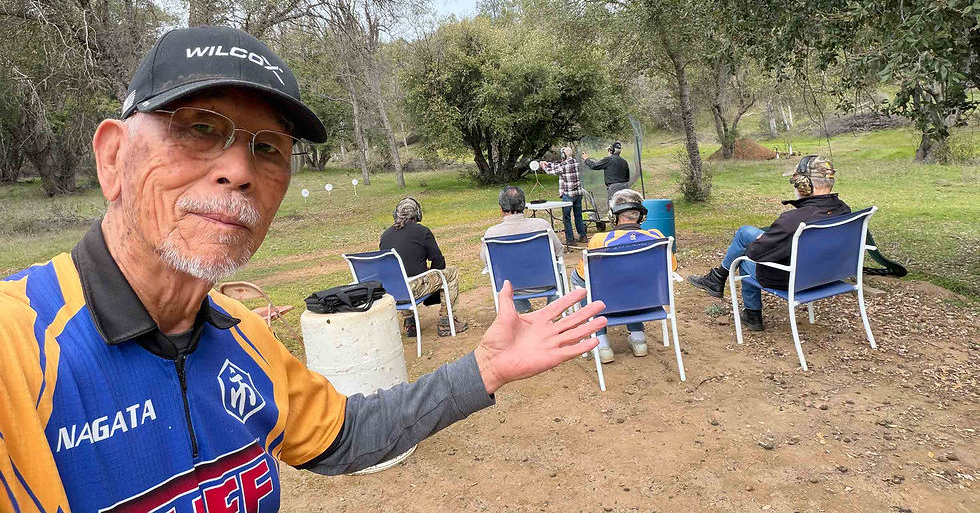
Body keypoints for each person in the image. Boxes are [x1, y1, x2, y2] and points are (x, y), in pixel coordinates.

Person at [0, 26, 608, 511]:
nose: (240, 171)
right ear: (112, 157)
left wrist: (486, 368)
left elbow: (347, 434)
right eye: (200, 129)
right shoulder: (17, 349)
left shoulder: (243, 335)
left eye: (269, 148)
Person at [687, 156, 848, 331]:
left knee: (744, 259)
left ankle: (751, 313)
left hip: (796, 279)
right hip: (828, 273)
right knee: (745, 232)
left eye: (795, 182)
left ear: (805, 185)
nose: (794, 186)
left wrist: (762, 241)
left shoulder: (794, 220)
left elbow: (756, 254)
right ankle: (718, 278)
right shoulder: (844, 211)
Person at [569, 188, 676, 364]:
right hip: (645, 299)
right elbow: (670, 268)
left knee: (578, 279)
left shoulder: (600, 240)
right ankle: (638, 338)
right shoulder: (658, 237)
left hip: (610, 300)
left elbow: (583, 276)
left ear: (613, 215)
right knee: (633, 281)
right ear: (641, 215)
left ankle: (601, 342)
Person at [380, 197, 467, 337]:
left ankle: (409, 321)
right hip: (415, 288)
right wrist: (430, 279)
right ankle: (446, 321)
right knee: (451, 273)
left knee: (400, 277)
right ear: (418, 214)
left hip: (394, 291)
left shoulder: (385, 236)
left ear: (395, 215)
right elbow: (439, 262)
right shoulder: (422, 231)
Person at [482, 186, 564, 312]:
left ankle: (522, 310)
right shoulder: (542, 226)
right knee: (559, 266)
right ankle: (553, 310)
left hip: (511, 287)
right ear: (524, 205)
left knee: (503, 273)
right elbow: (558, 251)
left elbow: (488, 263)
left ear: (501, 208)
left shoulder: (492, 234)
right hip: (546, 282)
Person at [539, 146, 588, 245]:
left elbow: (551, 171)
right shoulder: (576, 162)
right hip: (578, 194)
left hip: (568, 195)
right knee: (578, 215)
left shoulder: (564, 165)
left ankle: (570, 240)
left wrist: (544, 167)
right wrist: (548, 163)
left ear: (563, 155)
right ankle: (583, 236)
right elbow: (557, 165)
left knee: (566, 218)